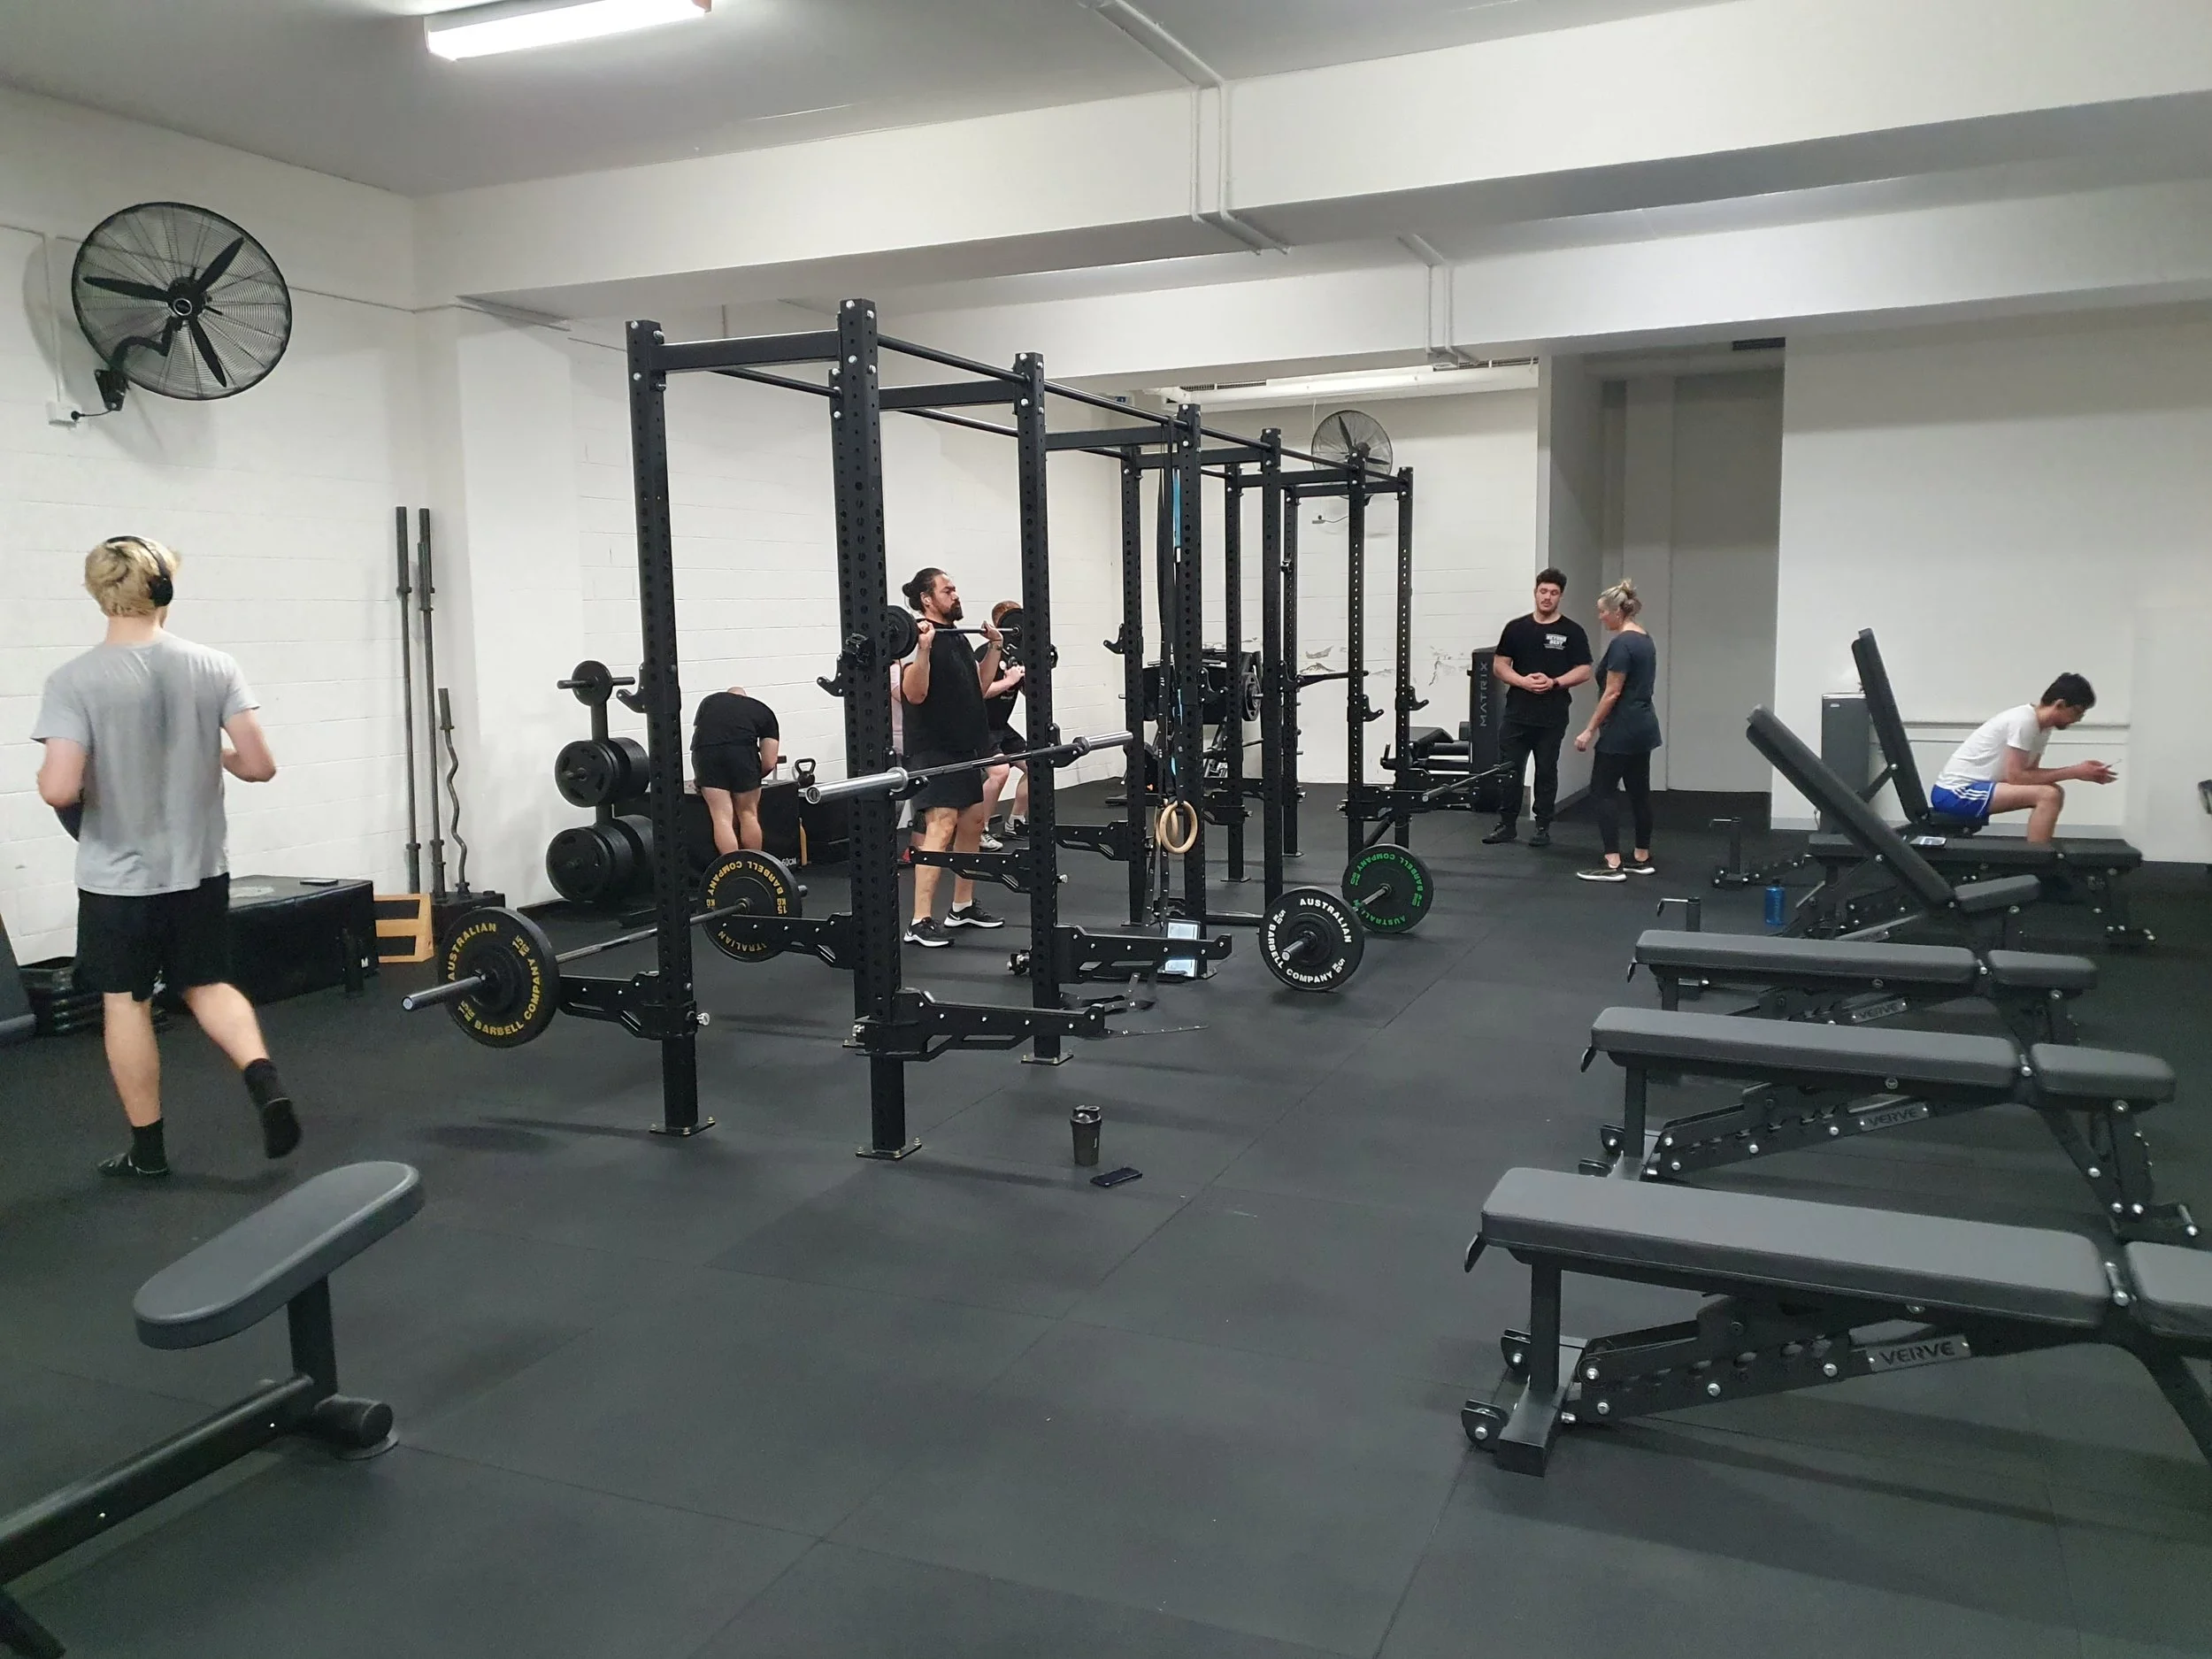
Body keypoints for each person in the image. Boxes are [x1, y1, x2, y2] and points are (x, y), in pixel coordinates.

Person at [32, 535, 301, 1179]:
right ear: (165, 592)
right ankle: (266, 1083)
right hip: (199, 868)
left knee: (125, 1001)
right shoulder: (214, 665)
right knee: (207, 985)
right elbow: (260, 765)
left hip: (117, 882)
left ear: (100, 594)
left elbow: (59, 788)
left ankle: (146, 1153)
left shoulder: (73, 680)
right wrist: (217, 755)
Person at [899, 567, 1006, 947]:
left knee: (973, 824)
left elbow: (979, 686)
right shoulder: (916, 636)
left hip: (965, 747)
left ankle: (961, 906)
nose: (955, 594)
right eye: (948, 590)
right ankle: (919, 920)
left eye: (956, 588)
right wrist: (924, 649)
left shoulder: (957, 637)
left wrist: (994, 646)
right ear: (927, 599)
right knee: (940, 827)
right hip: (933, 748)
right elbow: (913, 694)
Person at [1930, 673, 2114, 841]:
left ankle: (2038, 857)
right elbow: (2017, 778)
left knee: (2052, 791)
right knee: (2048, 795)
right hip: (1954, 793)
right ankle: (2038, 862)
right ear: (2060, 704)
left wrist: (2078, 772)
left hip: (1972, 789)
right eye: (2077, 712)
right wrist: (2075, 771)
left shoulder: (2043, 728)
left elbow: (2030, 774)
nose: (2079, 718)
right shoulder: (2024, 721)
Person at [1485, 568, 1594, 849]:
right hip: (1517, 714)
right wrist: (1522, 682)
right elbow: (1499, 665)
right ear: (1535, 592)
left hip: (1552, 716)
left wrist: (1554, 682)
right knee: (1510, 770)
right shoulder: (1516, 628)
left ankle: (1542, 827)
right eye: (1543, 591)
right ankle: (1507, 825)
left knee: (1546, 770)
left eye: (1553, 593)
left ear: (1560, 597)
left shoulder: (1571, 631)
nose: (1547, 597)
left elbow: (1584, 670)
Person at [1572, 579, 1661, 882]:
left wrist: (1588, 730)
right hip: (1644, 726)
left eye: (1601, 612)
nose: (1600, 617)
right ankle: (1641, 856)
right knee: (1639, 793)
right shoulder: (1645, 639)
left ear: (1616, 612)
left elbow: (1612, 693)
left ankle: (1612, 864)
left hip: (1621, 729)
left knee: (1603, 791)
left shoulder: (1622, 644)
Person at [691, 685, 780, 855]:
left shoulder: (709, 702)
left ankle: (731, 870)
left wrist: (701, 778)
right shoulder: (762, 710)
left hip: (706, 753)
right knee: (748, 814)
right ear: (746, 698)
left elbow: (699, 733)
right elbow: (769, 762)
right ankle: (753, 866)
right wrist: (752, 778)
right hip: (742, 754)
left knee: (721, 817)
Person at [977, 600, 1029, 850]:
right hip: (979, 727)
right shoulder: (985, 654)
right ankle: (979, 830)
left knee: (1038, 766)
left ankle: (1016, 821)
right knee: (1000, 772)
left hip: (1001, 726)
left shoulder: (1020, 655)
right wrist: (1009, 681)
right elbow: (981, 692)